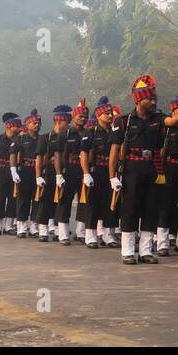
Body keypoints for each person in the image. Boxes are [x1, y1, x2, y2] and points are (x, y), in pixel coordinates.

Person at [110, 75, 168, 264]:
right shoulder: (124, 121)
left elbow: (162, 141)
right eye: (149, 99)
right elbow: (115, 151)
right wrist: (113, 177)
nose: (153, 102)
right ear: (138, 100)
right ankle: (127, 251)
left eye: (154, 98)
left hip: (152, 168)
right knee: (130, 209)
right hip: (131, 169)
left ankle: (145, 251)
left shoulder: (157, 120)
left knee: (150, 209)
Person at [156, 89, 178, 255]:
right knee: (165, 204)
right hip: (168, 167)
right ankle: (162, 243)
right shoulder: (166, 129)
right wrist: (159, 173)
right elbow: (160, 152)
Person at [81, 98, 118, 248]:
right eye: (106, 113)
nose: (110, 116)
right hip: (96, 171)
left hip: (111, 172)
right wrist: (86, 173)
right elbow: (83, 153)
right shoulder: (90, 132)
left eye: (111, 113)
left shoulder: (115, 132)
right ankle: (90, 235)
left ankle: (109, 235)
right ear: (98, 115)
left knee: (111, 203)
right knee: (93, 204)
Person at [54, 100, 88, 244]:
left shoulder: (88, 133)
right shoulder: (65, 133)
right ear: (73, 117)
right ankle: (62, 234)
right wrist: (59, 174)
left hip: (83, 171)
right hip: (68, 170)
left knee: (84, 202)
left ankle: (80, 232)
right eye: (80, 115)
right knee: (65, 202)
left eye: (85, 115)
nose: (83, 117)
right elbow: (57, 155)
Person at [34, 105, 69, 242]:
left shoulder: (67, 136)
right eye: (66, 121)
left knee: (60, 201)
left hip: (65, 171)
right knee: (45, 201)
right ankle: (42, 230)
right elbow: (39, 159)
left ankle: (55, 228)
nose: (68, 124)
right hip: (49, 172)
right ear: (59, 121)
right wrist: (38, 176)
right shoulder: (45, 138)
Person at [12, 110, 41, 236]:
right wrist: (14, 171)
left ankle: (34, 226)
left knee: (37, 200)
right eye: (34, 123)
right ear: (27, 124)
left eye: (38, 123)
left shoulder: (42, 138)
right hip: (24, 171)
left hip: (38, 172)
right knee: (23, 200)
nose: (37, 125)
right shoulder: (20, 139)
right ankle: (21, 227)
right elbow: (13, 155)